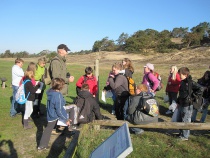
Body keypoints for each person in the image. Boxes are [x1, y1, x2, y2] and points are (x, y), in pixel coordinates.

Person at [38, 78, 73, 151]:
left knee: (48, 129)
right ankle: (42, 146)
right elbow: (59, 110)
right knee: (48, 129)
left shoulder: (50, 92)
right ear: (61, 87)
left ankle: (42, 145)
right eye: (63, 85)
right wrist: (65, 119)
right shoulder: (58, 96)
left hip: (51, 113)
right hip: (54, 115)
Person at [177, 67, 204, 141]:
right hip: (182, 103)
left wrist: (193, 96)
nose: (179, 76)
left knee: (186, 120)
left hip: (188, 105)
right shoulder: (182, 82)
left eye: (180, 74)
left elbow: (201, 89)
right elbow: (182, 93)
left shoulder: (190, 82)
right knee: (180, 119)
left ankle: (185, 136)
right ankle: (181, 133)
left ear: (185, 74)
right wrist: (178, 102)